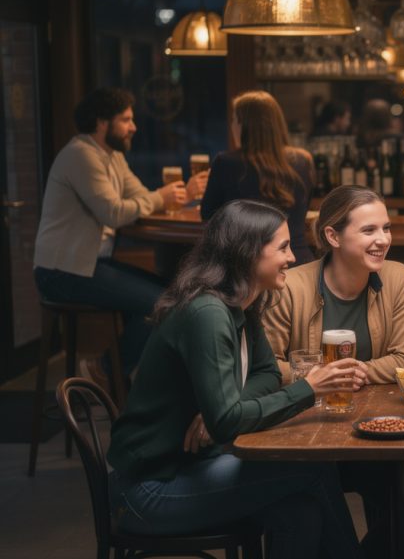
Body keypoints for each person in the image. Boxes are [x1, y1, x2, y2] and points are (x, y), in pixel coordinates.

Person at [106, 200, 365, 559]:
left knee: (301, 514)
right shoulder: (208, 313)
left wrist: (223, 407)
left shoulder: (242, 303)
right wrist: (308, 388)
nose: (292, 258)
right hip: (147, 491)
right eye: (283, 248)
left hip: (191, 467)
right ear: (247, 253)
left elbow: (267, 375)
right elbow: (227, 423)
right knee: (314, 468)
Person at [262, 184, 404, 559]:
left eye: (386, 228)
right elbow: (265, 367)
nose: (383, 240)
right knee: (312, 517)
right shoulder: (290, 286)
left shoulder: (398, 277)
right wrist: (316, 379)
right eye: (369, 230)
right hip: (305, 435)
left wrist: (353, 373)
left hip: (371, 433)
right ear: (332, 236)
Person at [34, 87, 207, 381]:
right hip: (61, 272)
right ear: (103, 122)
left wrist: (170, 196)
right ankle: (103, 373)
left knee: (171, 294)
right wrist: (161, 197)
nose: (134, 127)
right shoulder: (81, 155)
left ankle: (125, 381)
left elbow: (140, 197)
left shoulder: (111, 157)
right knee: (163, 302)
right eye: (126, 119)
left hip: (89, 266)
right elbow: (112, 212)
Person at [201, 90, 315, 265]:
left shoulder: (226, 162)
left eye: (234, 120)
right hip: (298, 264)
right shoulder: (303, 160)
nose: (232, 126)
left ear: (243, 126)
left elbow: (208, 214)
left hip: (248, 269)